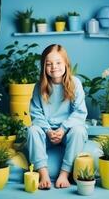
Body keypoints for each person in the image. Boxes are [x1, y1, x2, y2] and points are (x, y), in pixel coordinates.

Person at [27, 44, 88, 189]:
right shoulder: (39, 86)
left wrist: (63, 129)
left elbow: (79, 112)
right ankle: (43, 174)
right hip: (47, 132)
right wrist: (48, 130)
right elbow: (35, 112)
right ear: (44, 67)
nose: (54, 67)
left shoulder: (75, 83)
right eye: (49, 64)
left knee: (79, 131)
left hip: (68, 131)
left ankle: (64, 174)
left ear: (66, 64)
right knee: (32, 131)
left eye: (58, 62)